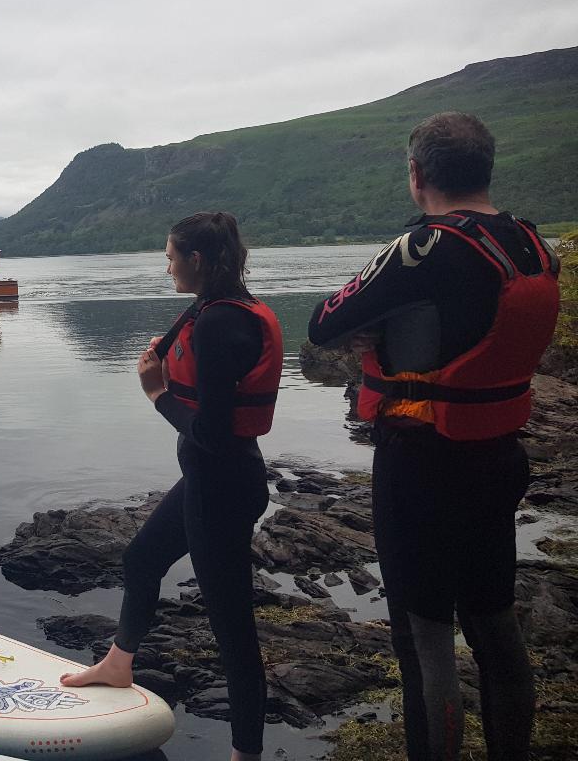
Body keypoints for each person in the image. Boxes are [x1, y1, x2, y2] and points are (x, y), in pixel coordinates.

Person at [307, 112, 558, 761]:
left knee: (425, 639)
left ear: (418, 176)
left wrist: (376, 330)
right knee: (494, 622)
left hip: (421, 463)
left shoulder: (423, 248)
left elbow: (323, 320)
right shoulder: (533, 245)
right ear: (486, 169)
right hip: (498, 456)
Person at [61, 212, 280, 761]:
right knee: (141, 560)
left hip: (222, 485)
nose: (166, 267)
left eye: (170, 257)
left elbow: (209, 432)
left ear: (196, 260)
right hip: (212, 480)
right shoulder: (213, 310)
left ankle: (245, 753)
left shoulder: (219, 322)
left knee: (232, 629)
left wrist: (157, 393)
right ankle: (118, 664)